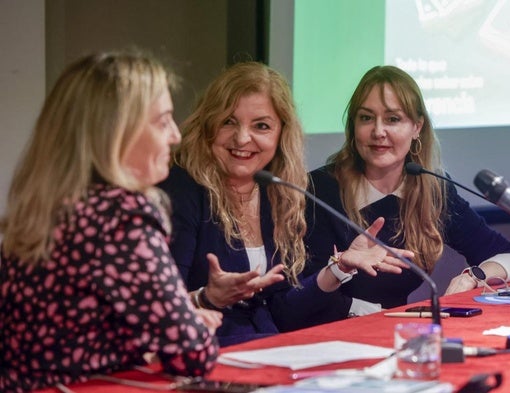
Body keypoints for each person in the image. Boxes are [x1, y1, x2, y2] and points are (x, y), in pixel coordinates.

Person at [0, 51, 221, 393]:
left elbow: (77, 328)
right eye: (163, 121)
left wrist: (175, 325)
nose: (176, 135)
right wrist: (190, 326)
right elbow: (192, 356)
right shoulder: (122, 218)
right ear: (118, 132)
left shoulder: (44, 207)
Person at [158, 61, 414, 347]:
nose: (242, 138)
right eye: (228, 121)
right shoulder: (182, 190)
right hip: (205, 357)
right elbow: (158, 309)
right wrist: (208, 298)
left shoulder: (277, 194)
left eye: (261, 126)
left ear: (281, 133)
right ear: (208, 125)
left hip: (270, 351)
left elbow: (285, 313)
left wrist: (339, 268)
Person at [305, 65, 510, 310]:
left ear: (417, 127)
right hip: (330, 333)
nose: (378, 131)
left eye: (393, 119)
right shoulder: (319, 190)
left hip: (398, 331)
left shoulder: (432, 189)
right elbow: (304, 294)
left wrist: (472, 277)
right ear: (353, 126)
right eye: (366, 118)